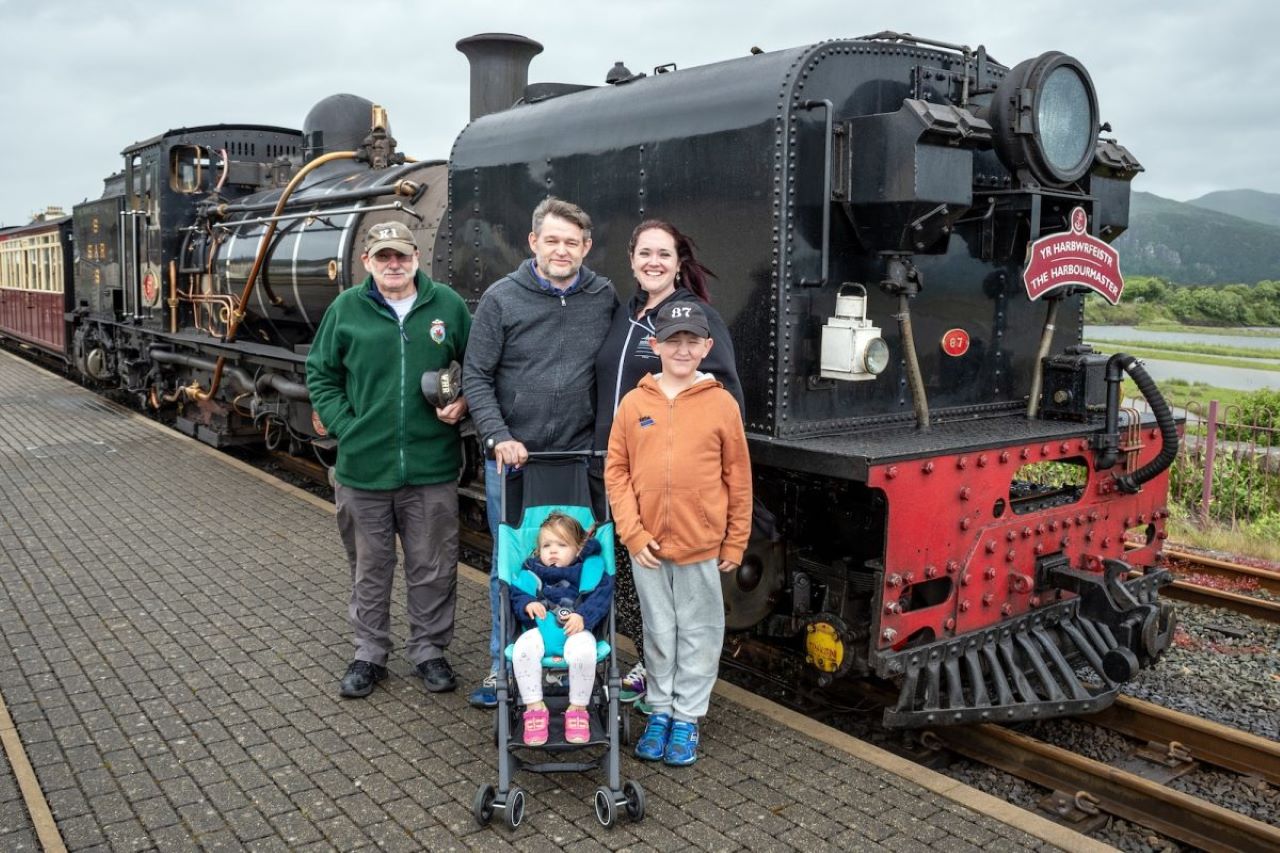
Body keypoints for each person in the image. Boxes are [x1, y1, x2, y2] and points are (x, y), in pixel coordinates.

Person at [462, 197, 618, 708]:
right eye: (552, 239)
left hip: (576, 460)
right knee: (514, 563)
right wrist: (497, 436)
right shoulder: (502, 299)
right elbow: (476, 375)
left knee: (583, 562)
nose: (562, 250)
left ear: (586, 248)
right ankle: (501, 665)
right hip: (514, 460)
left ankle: (580, 658)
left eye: (572, 242)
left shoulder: (603, 296)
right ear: (533, 242)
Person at [306, 221, 471, 698]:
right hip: (364, 470)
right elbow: (320, 373)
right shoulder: (346, 309)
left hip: (431, 467)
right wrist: (346, 425)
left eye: (401, 256)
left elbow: (477, 364)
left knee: (434, 565)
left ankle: (429, 651)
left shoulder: (448, 307)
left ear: (417, 257)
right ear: (368, 262)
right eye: (384, 258)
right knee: (370, 568)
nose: (393, 265)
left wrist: (463, 404)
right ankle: (369, 653)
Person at [593, 220, 744, 713]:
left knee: (678, 600)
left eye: (664, 254)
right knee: (640, 584)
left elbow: (723, 401)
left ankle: (678, 698)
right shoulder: (630, 313)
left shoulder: (696, 321)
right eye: (645, 253)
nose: (653, 262)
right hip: (623, 471)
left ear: (679, 262)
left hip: (678, 488)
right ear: (632, 260)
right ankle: (650, 672)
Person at [604, 300, 752, 766]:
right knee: (658, 632)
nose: (682, 349)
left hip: (699, 544)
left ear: (707, 347)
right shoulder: (635, 403)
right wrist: (630, 531)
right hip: (646, 545)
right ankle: (660, 711)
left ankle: (687, 717)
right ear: (655, 346)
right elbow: (616, 471)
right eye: (673, 341)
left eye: (692, 341)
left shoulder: (722, 405)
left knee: (700, 632)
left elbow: (739, 477)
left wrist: (735, 539)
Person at [507, 512, 614, 745]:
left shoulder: (589, 571)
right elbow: (516, 594)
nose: (552, 551)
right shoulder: (532, 571)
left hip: (576, 631)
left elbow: (601, 597)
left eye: (561, 545)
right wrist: (527, 603)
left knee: (586, 652)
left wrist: (583, 616)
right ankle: (535, 707)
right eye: (546, 545)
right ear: (538, 550)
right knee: (521, 649)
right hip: (541, 631)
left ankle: (578, 708)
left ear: (578, 549)